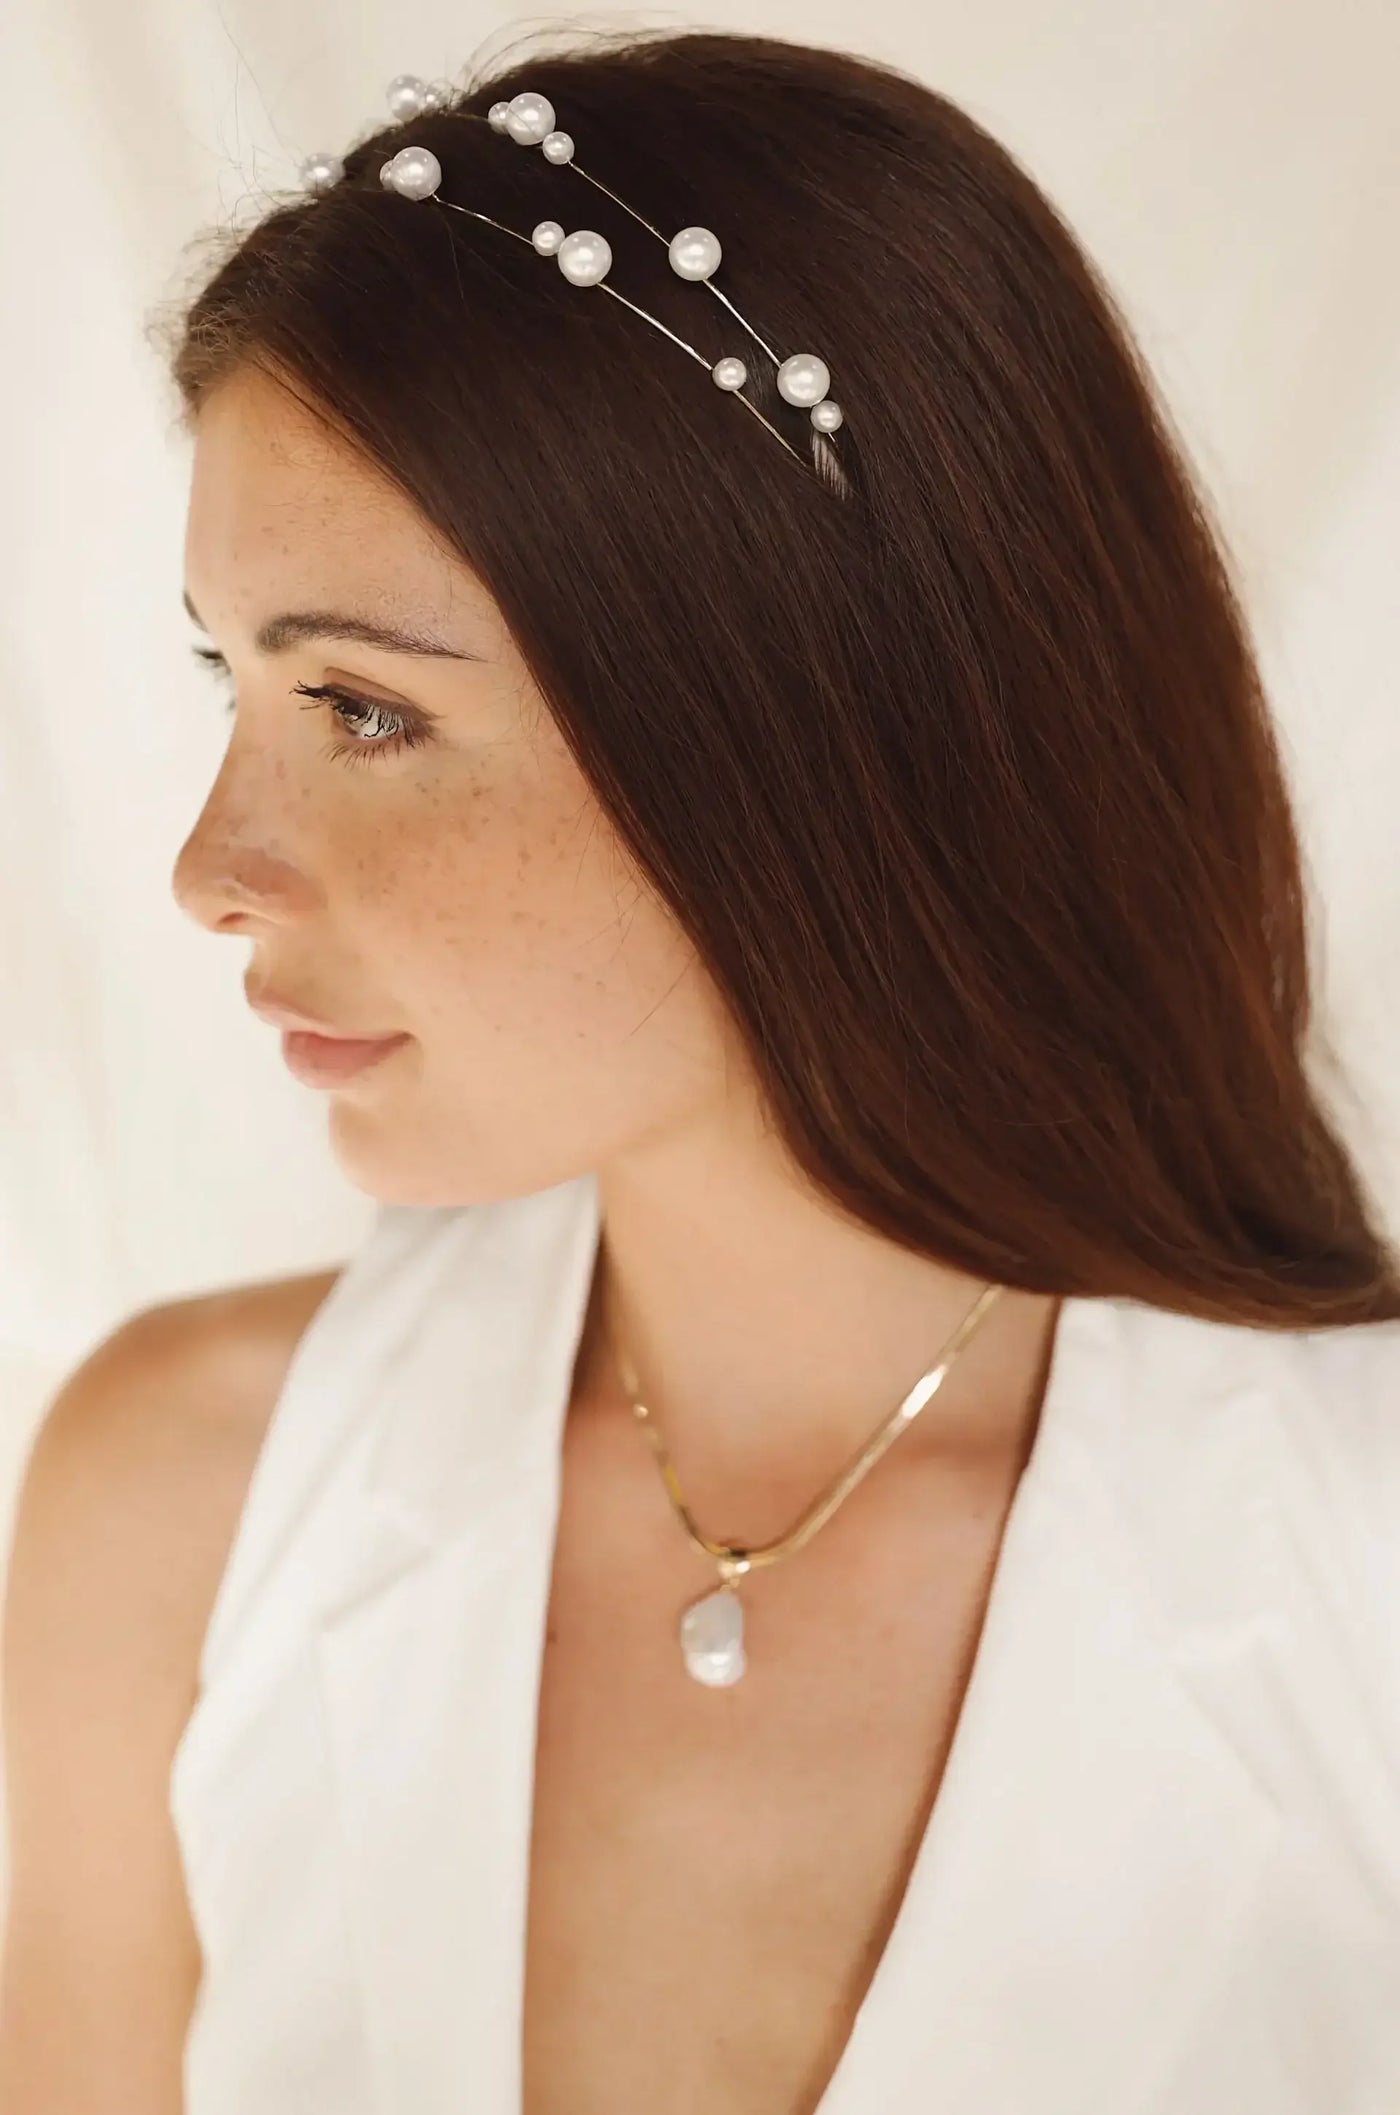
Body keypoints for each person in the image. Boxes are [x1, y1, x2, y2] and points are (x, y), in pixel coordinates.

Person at [3, 25, 1399, 2115]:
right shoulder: (176, 1510)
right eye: (237, 682)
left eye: (363, 708)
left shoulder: (1351, 1575)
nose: (212, 866)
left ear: (807, 718)